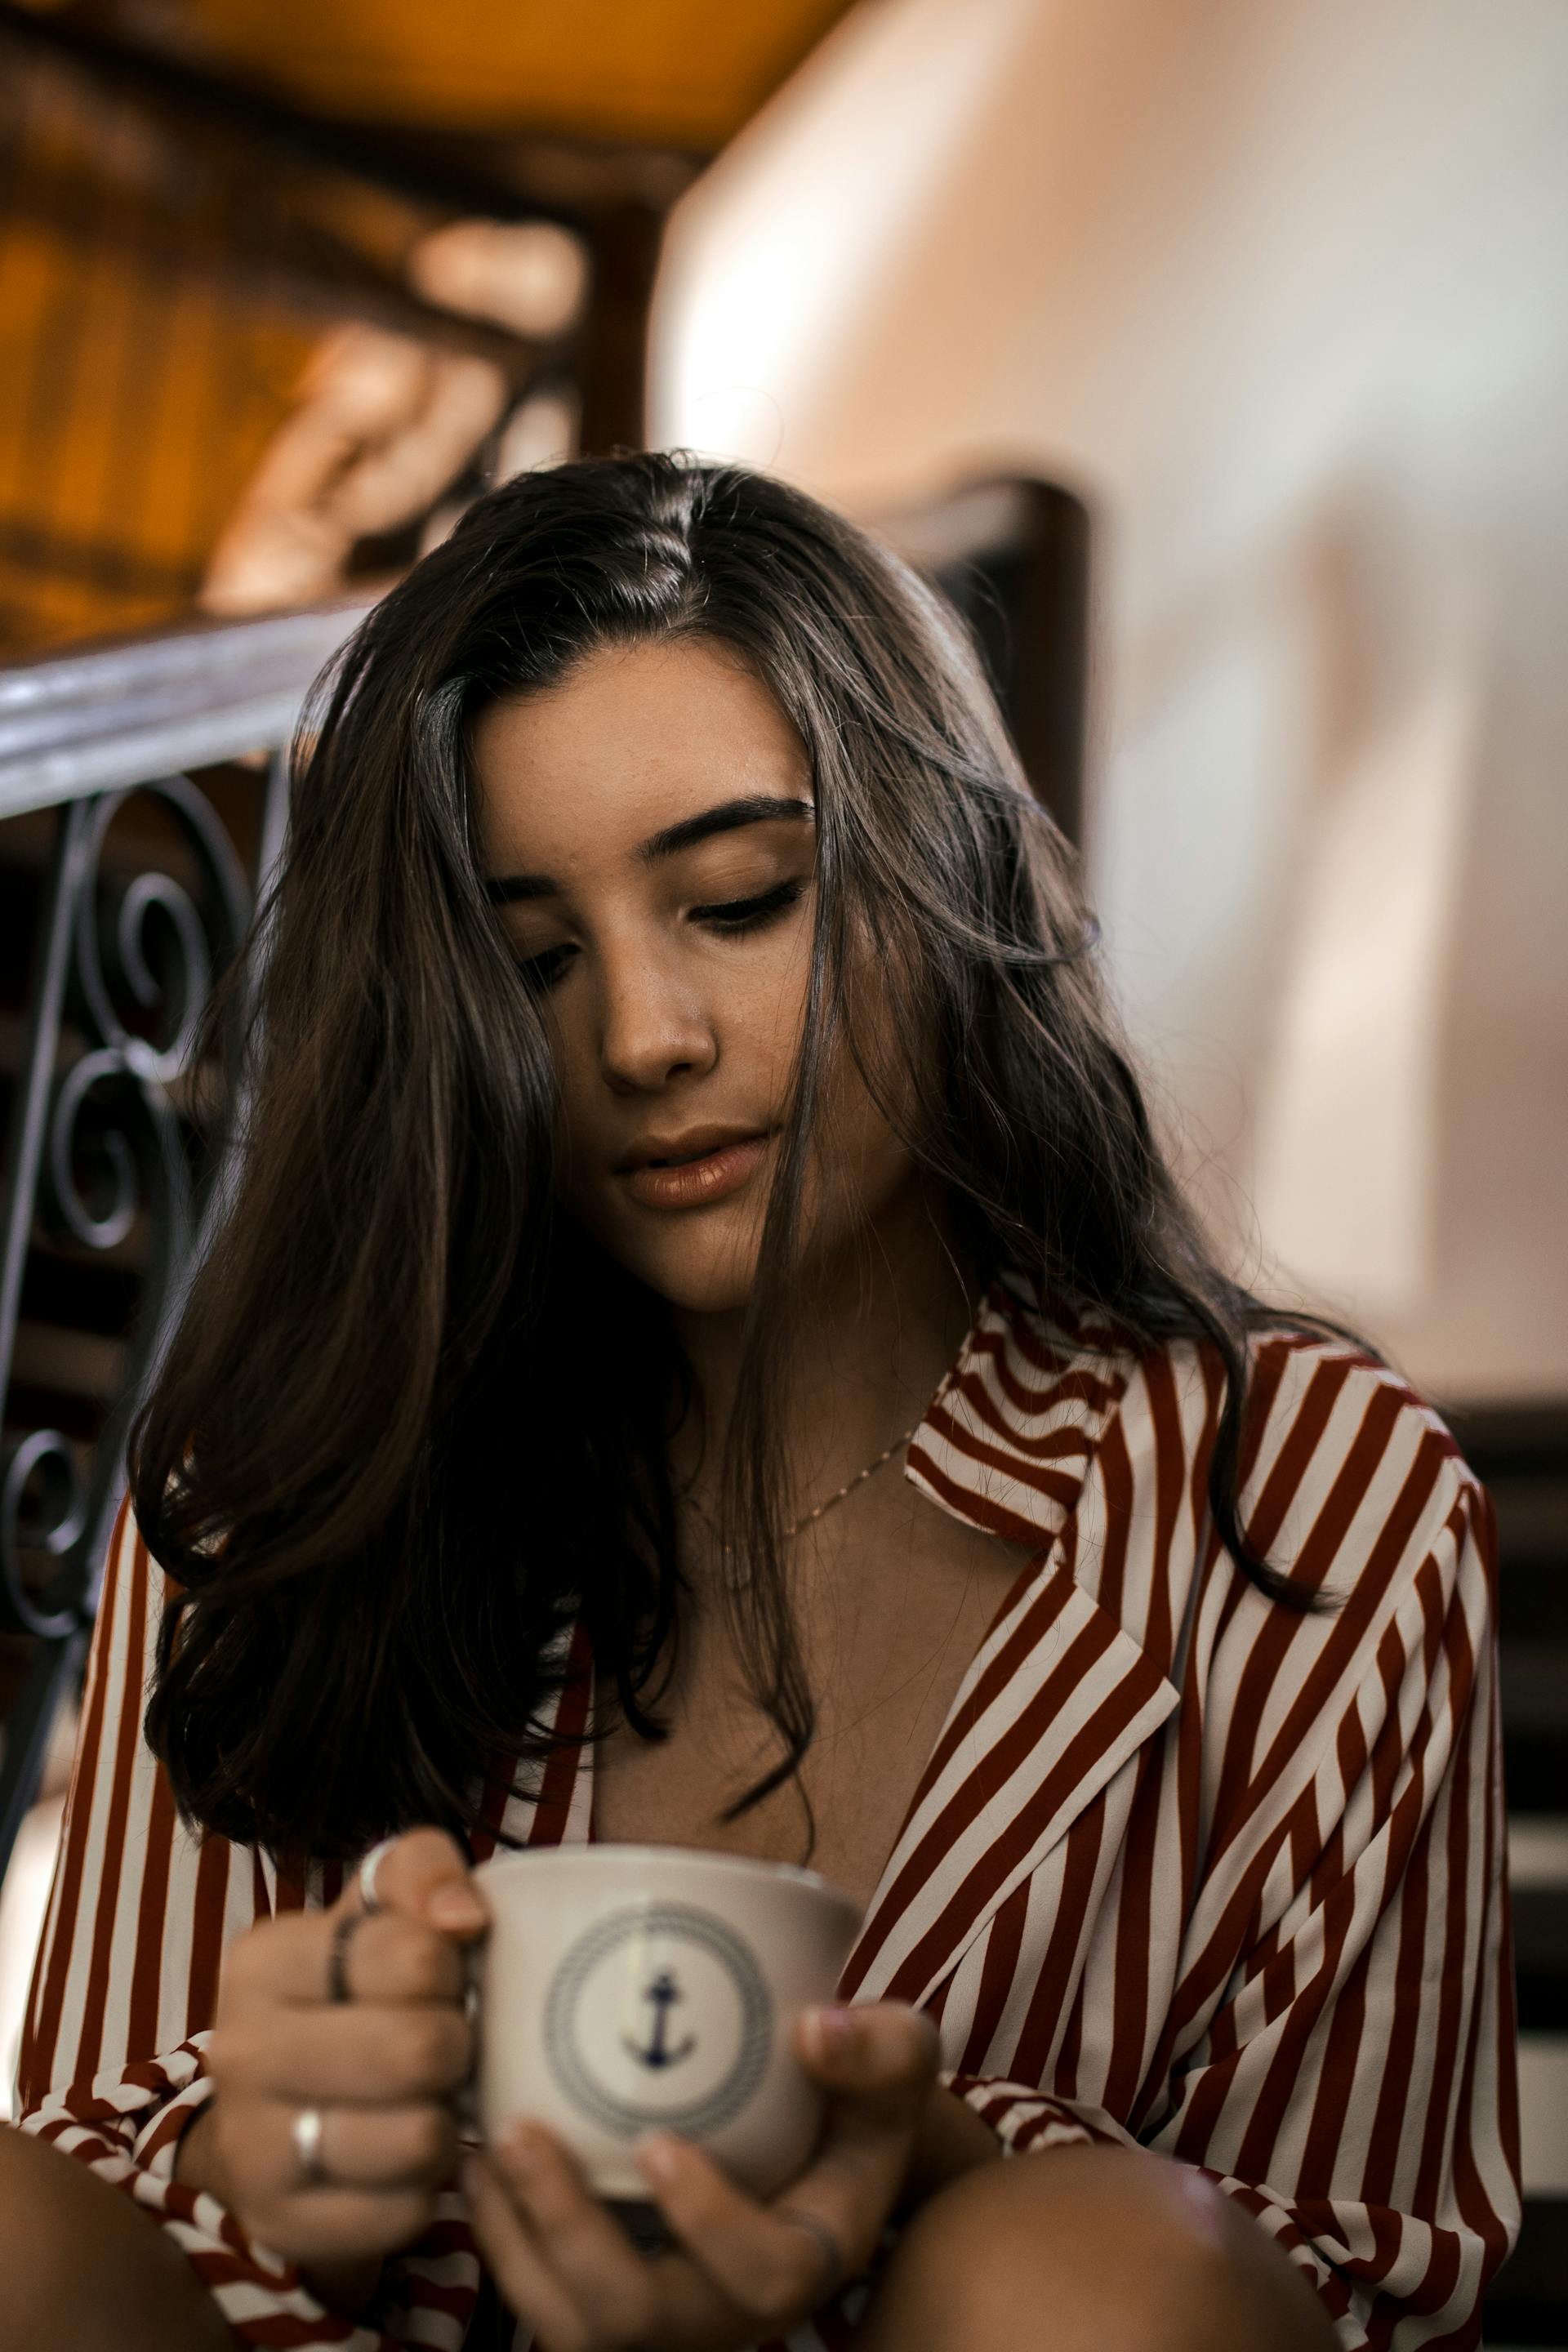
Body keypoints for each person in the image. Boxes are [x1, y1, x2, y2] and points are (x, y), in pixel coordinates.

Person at [3, 454, 1517, 2351]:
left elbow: (1345, 2288)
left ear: (940, 865)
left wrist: (945, 2169)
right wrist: (250, 2166)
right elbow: (77, 2203)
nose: (642, 1037)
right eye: (533, 958)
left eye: (740, 900)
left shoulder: (1307, 1505)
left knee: (1098, 2276)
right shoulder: (287, 1478)